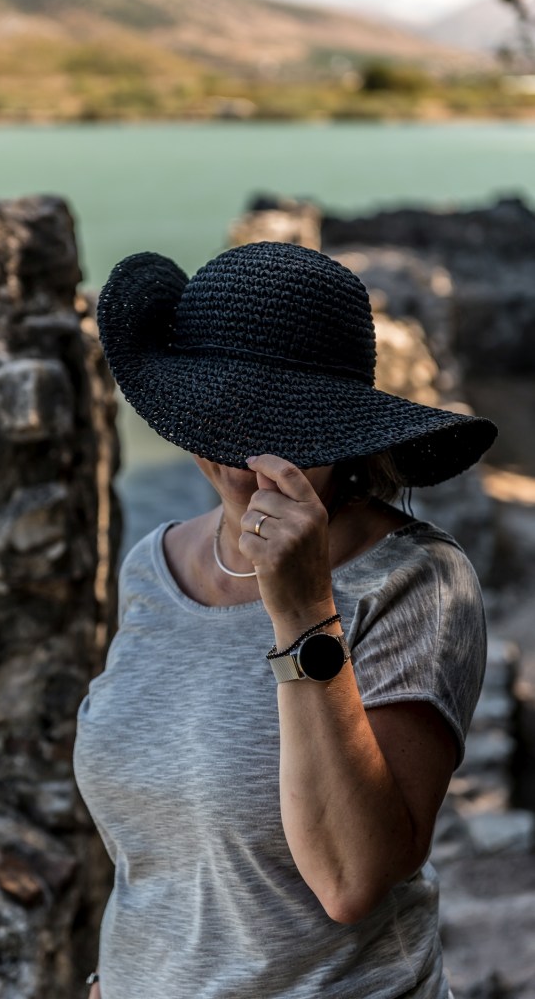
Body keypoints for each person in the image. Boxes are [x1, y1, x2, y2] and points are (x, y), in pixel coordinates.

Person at [73, 241, 498, 999]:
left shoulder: (415, 581)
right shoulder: (151, 566)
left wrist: (302, 611)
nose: (245, 459)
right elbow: (159, 847)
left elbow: (350, 879)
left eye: (283, 423)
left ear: (342, 430)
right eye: (219, 419)